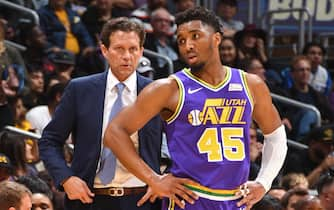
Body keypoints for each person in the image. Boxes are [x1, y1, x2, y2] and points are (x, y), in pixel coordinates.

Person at [104, 7, 287, 210]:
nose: (187, 45)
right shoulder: (169, 88)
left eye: (195, 36)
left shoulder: (250, 84)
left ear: (217, 39)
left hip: (236, 200)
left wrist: (264, 181)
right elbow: (114, 132)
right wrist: (154, 179)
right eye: (181, 40)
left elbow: (276, 135)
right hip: (190, 200)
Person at [38, 17, 162, 210]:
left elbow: (180, 143)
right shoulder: (80, 89)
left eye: (133, 49)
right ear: (105, 50)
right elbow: (50, 140)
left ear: (141, 52)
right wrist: (66, 178)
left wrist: (165, 178)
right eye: (119, 49)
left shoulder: (157, 92)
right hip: (90, 199)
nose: (127, 56)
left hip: (143, 199)